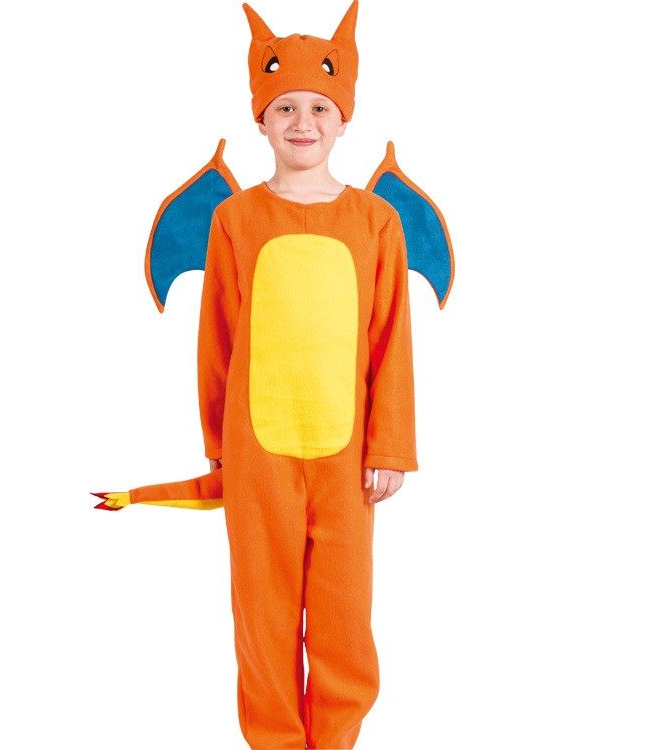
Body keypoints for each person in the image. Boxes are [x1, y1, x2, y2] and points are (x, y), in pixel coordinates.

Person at [195, 2, 418, 746]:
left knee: (343, 612)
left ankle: (337, 738)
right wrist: (217, 444)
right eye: (284, 106)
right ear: (260, 118)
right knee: (262, 610)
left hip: (347, 458)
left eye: (319, 107)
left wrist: (390, 445)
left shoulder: (375, 221)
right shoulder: (234, 219)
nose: (302, 121)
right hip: (256, 454)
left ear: (343, 118)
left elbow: (390, 339)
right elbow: (217, 336)